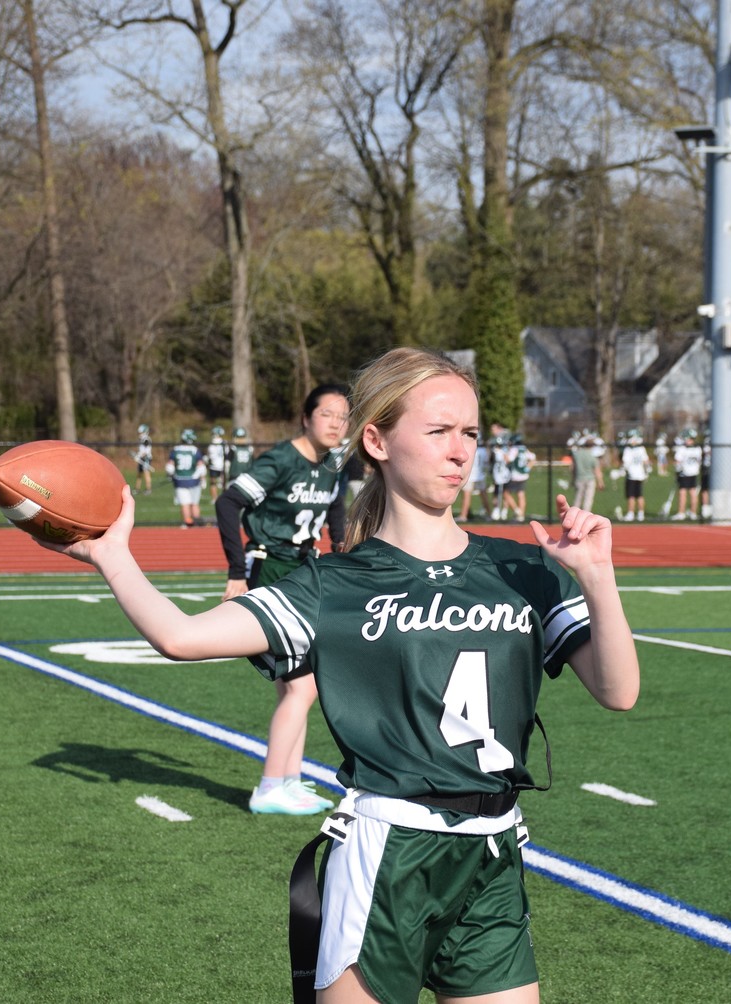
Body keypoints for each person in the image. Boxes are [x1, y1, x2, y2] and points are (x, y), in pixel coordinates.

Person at [50, 347, 639, 1003]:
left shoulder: (523, 570)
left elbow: (618, 691)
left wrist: (597, 575)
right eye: (439, 431)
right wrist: (111, 555)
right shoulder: (336, 585)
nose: (460, 451)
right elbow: (180, 637)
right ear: (377, 440)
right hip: (387, 854)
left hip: (494, 853)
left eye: (470, 433)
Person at [214, 384, 349, 816]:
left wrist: (342, 543)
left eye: (343, 417)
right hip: (272, 570)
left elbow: (336, 506)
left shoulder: (332, 463)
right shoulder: (281, 460)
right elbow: (227, 502)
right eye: (327, 414)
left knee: (295, 686)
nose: (336, 423)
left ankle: (288, 779)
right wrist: (237, 570)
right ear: (306, 417)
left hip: (304, 572)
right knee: (302, 686)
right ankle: (271, 785)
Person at [166, 429, 206, 528]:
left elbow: (170, 466)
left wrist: (171, 474)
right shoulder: (194, 450)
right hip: (194, 480)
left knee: (185, 504)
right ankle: (196, 524)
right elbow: (201, 466)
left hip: (180, 480)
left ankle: (187, 523)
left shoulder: (176, 449)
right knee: (194, 503)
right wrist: (202, 478)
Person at [671, 428, 702, 520]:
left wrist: (677, 470)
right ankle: (693, 513)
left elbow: (677, 461)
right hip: (694, 473)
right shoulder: (698, 448)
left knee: (683, 493)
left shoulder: (682, 449)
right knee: (693, 492)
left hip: (684, 473)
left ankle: (682, 513)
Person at [457, 436, 490, 522]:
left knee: (466, 496)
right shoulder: (483, 451)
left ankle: (463, 516)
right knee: (484, 496)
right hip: (480, 475)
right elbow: (486, 463)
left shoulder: (471, 450)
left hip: (471, 476)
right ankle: (489, 514)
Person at [619, 430, 650, 521]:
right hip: (640, 475)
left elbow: (625, 463)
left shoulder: (628, 449)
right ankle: (640, 514)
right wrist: (647, 471)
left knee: (631, 496)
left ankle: (631, 513)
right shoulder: (641, 448)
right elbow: (646, 461)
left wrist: (620, 471)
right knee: (639, 495)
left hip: (632, 476)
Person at [507, 433, 535, 522]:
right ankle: (521, 516)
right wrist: (527, 468)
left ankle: (517, 511)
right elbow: (533, 458)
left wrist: (502, 453)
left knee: (506, 494)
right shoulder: (525, 449)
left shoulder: (514, 449)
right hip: (523, 475)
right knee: (521, 495)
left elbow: (509, 459)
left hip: (515, 475)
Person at [571, 434, 604, 511]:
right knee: (588, 500)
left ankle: (573, 515)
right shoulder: (592, 456)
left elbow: (573, 468)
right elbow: (597, 470)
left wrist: (572, 479)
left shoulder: (577, 455)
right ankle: (585, 517)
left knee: (577, 499)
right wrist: (600, 482)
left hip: (579, 478)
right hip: (590, 479)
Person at [207, 426, 228, 503]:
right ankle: (224, 497)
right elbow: (226, 453)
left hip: (214, 465)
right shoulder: (224, 442)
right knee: (223, 483)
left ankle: (214, 498)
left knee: (213, 483)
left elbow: (210, 454)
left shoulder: (212, 443)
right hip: (222, 465)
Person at [133, 423, 153, 495]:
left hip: (146, 459)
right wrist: (138, 456)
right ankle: (137, 489)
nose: (140, 434)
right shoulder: (141, 439)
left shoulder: (146, 440)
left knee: (146, 474)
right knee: (139, 474)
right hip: (141, 458)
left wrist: (138, 456)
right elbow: (141, 450)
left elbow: (146, 451)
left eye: (141, 432)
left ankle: (148, 489)